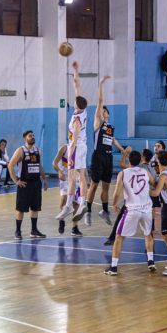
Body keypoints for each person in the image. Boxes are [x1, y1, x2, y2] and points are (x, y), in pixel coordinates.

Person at [104, 150, 156, 276]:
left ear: (129, 160)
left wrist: (114, 203)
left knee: (118, 237)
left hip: (132, 210)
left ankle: (114, 267)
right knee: (148, 234)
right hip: (147, 209)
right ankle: (150, 262)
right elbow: (153, 183)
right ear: (140, 160)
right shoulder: (146, 171)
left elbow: (117, 192)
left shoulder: (123, 173)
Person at [85, 75, 125, 227]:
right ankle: (88, 211)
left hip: (108, 157)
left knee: (106, 186)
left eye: (104, 111)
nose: (102, 112)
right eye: (101, 111)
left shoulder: (110, 127)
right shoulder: (97, 123)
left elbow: (113, 140)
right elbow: (100, 101)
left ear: (107, 114)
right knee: (94, 185)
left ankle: (104, 211)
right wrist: (101, 84)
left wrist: (122, 150)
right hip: (98, 156)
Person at [55, 61, 89, 222]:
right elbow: (77, 85)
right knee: (81, 176)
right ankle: (82, 203)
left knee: (72, 177)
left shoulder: (76, 119)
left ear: (76, 104)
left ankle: (69, 205)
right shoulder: (83, 111)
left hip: (76, 147)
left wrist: (70, 154)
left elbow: (74, 137)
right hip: (84, 147)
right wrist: (76, 70)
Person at [8, 130, 48, 240]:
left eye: (33, 136)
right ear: (25, 138)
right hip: (24, 184)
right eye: (30, 136)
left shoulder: (37, 151)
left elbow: (39, 166)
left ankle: (34, 230)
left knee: (35, 208)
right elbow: (10, 165)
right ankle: (18, 231)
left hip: (36, 183)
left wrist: (44, 180)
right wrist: (16, 181)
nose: (33, 137)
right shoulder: (21, 151)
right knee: (21, 209)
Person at [53, 144, 85, 237]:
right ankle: (61, 220)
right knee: (64, 200)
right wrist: (59, 171)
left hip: (77, 179)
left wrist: (86, 178)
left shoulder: (81, 149)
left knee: (76, 204)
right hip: (65, 178)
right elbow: (54, 163)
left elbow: (83, 167)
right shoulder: (64, 148)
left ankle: (75, 228)